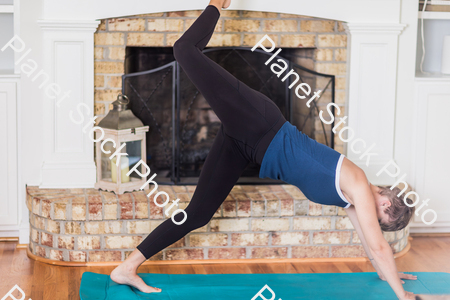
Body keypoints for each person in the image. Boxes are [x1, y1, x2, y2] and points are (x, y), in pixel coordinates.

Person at [111, 1, 417, 299]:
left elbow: (369, 242)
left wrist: (383, 271)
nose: (372, 221)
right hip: (259, 122)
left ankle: (127, 267)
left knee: (198, 213)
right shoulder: (360, 184)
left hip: (248, 146)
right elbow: (378, 244)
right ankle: (216, 4)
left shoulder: (352, 198)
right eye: (380, 219)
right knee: (183, 51)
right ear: (387, 204)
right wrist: (403, 296)